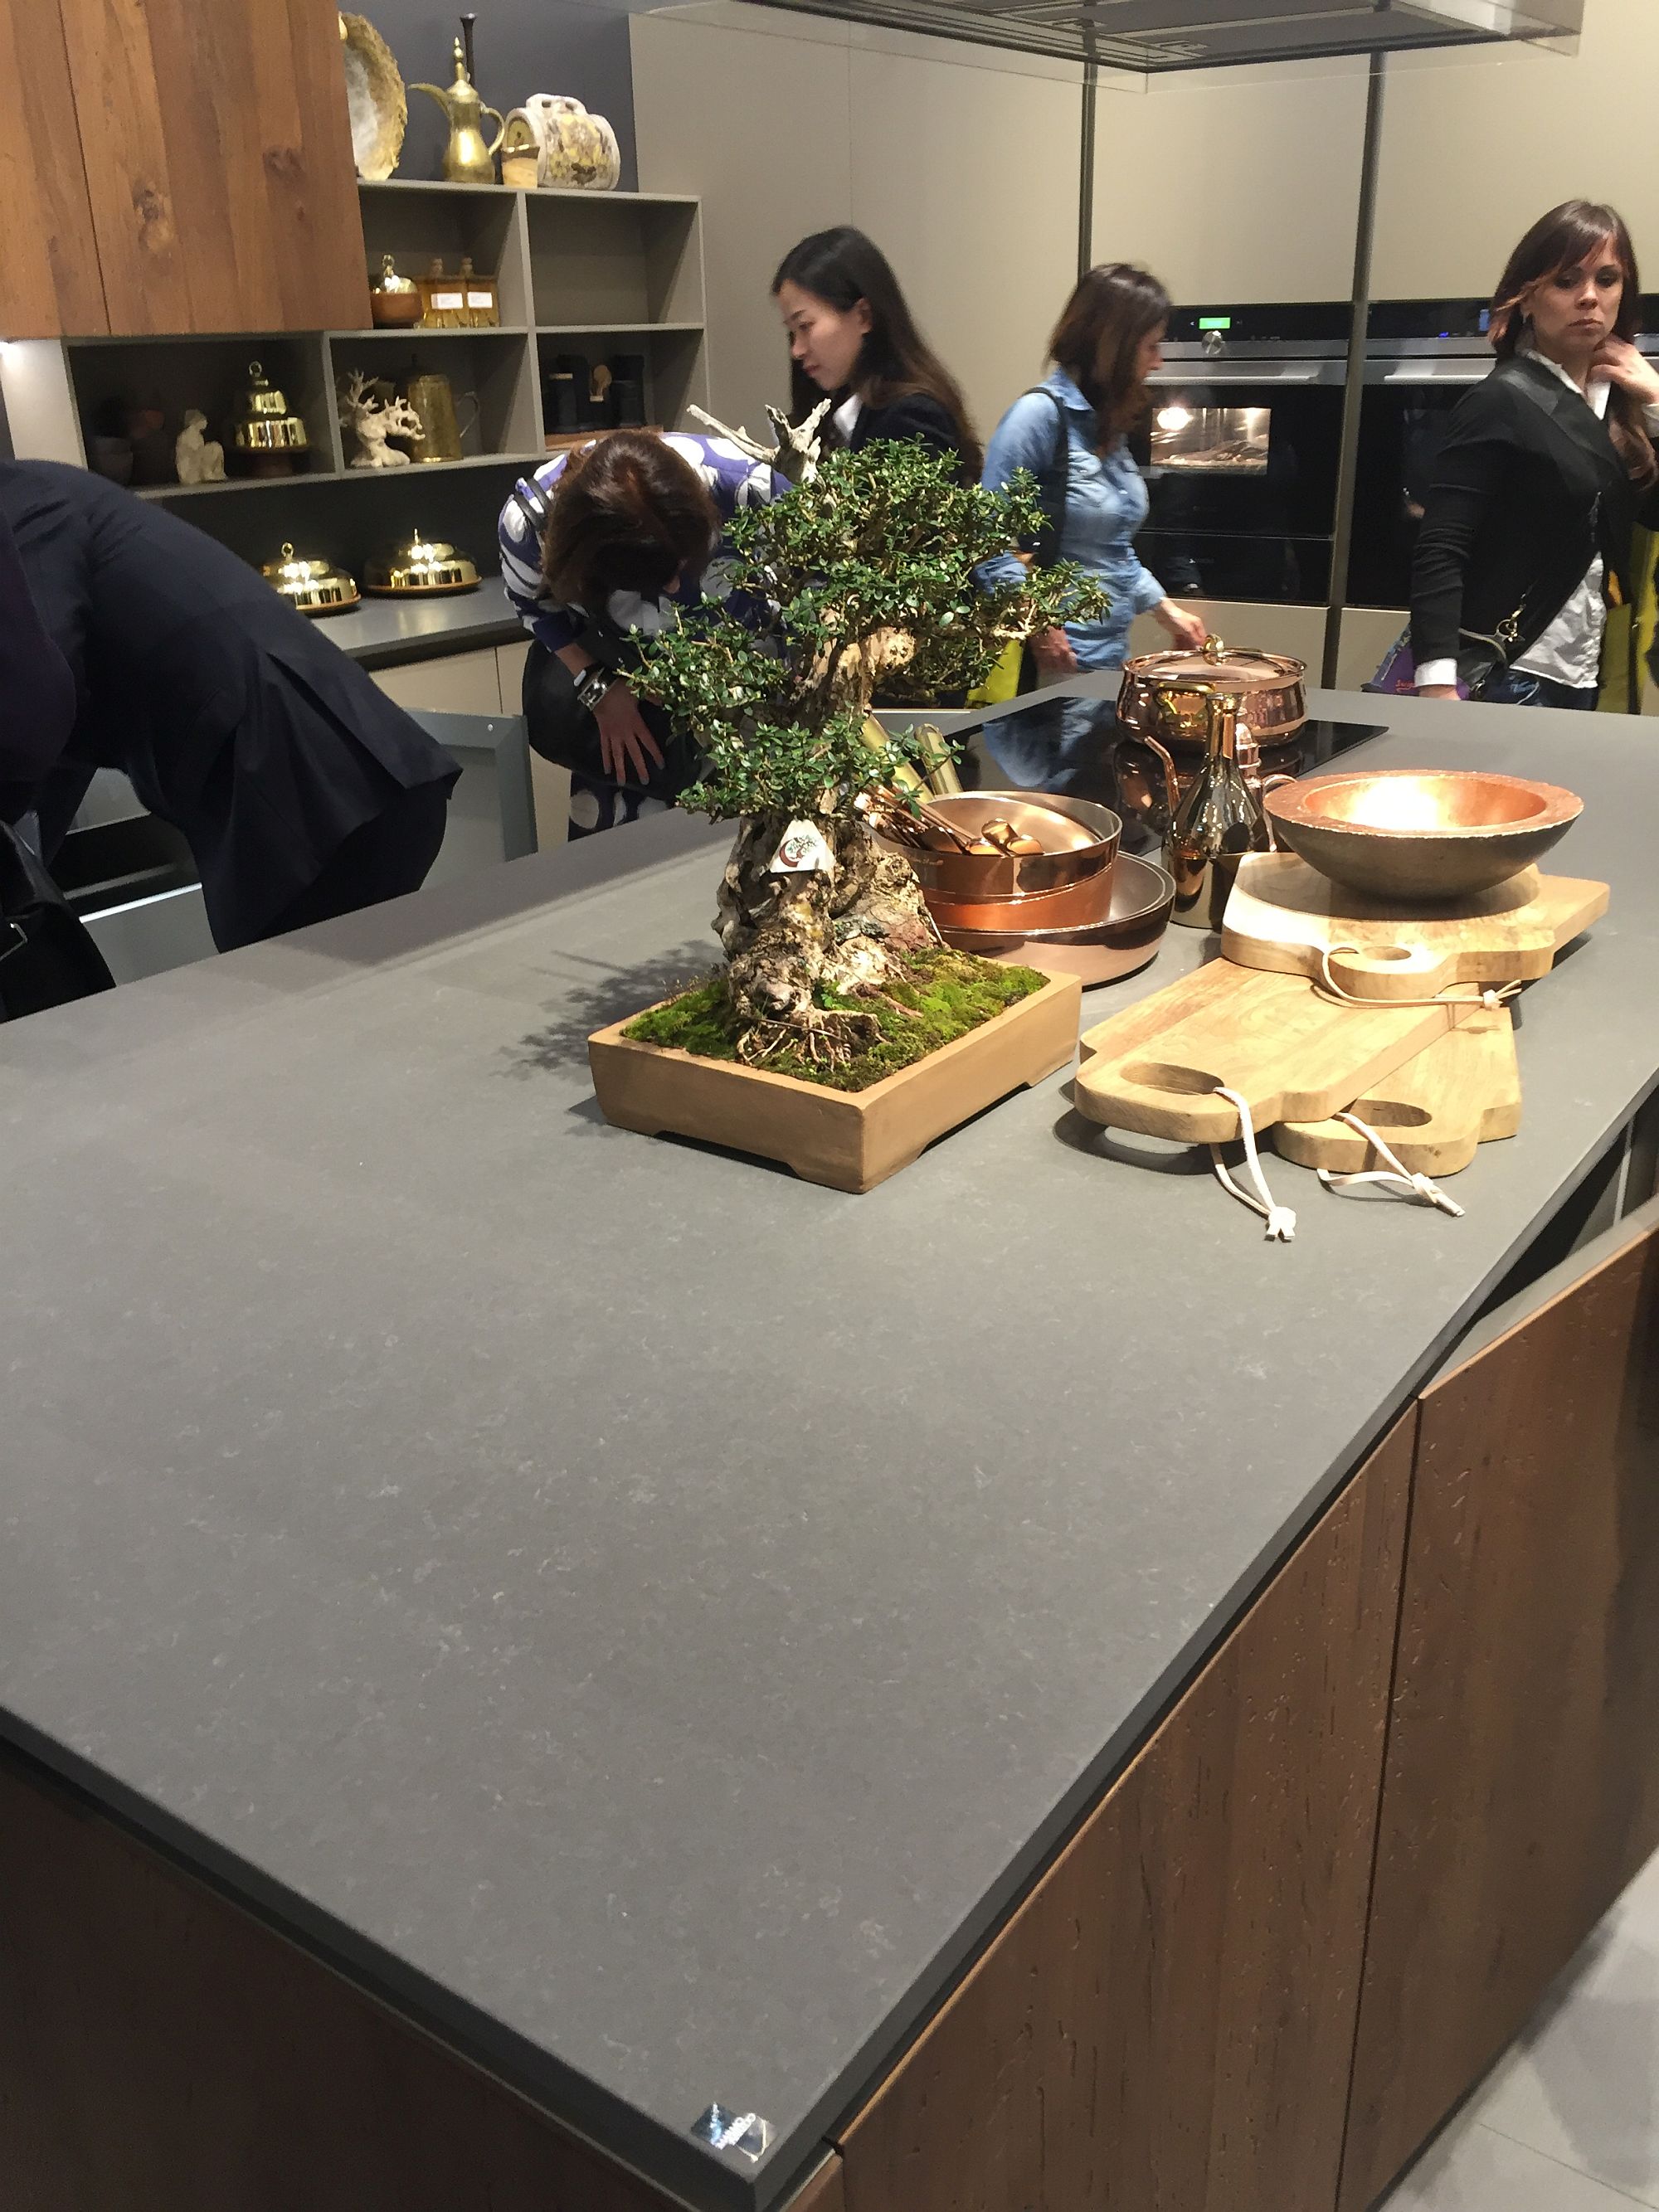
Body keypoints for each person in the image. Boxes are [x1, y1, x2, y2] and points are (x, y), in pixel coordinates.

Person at [0, 461, 460, 950]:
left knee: (296, 1014)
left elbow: (37, 710)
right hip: (331, 777)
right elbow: (48, 727)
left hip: (300, 786)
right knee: (333, 1009)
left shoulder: (19, 502)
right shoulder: (41, 493)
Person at [1411, 201, 1659, 710]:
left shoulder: (1620, 408)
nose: (1590, 297)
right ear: (1527, 298)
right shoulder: (1502, 400)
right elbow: (1441, 546)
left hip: (1588, 670)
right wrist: (1436, 681)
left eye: (1607, 279)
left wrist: (1656, 402)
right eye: (1567, 281)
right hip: (1510, 672)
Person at [500, 429, 784, 839]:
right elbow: (534, 607)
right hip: (629, 721)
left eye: (683, 566)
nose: (672, 589)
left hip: (757, 714)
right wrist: (598, 688)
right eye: (645, 579)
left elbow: (825, 596)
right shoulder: (531, 525)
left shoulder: (748, 487)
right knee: (628, 874)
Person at [979, 263, 1206, 688]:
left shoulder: (1107, 427)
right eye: (1150, 346)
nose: (1158, 363)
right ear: (1113, 345)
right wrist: (1039, 626)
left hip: (1108, 664)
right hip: (1049, 673)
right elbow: (988, 541)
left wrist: (1167, 611)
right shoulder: (1038, 416)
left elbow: (1113, 553)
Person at [772, 227, 980, 478]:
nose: (797, 350)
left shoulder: (911, 418)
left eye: (805, 326)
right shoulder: (834, 411)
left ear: (863, 316)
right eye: (792, 333)